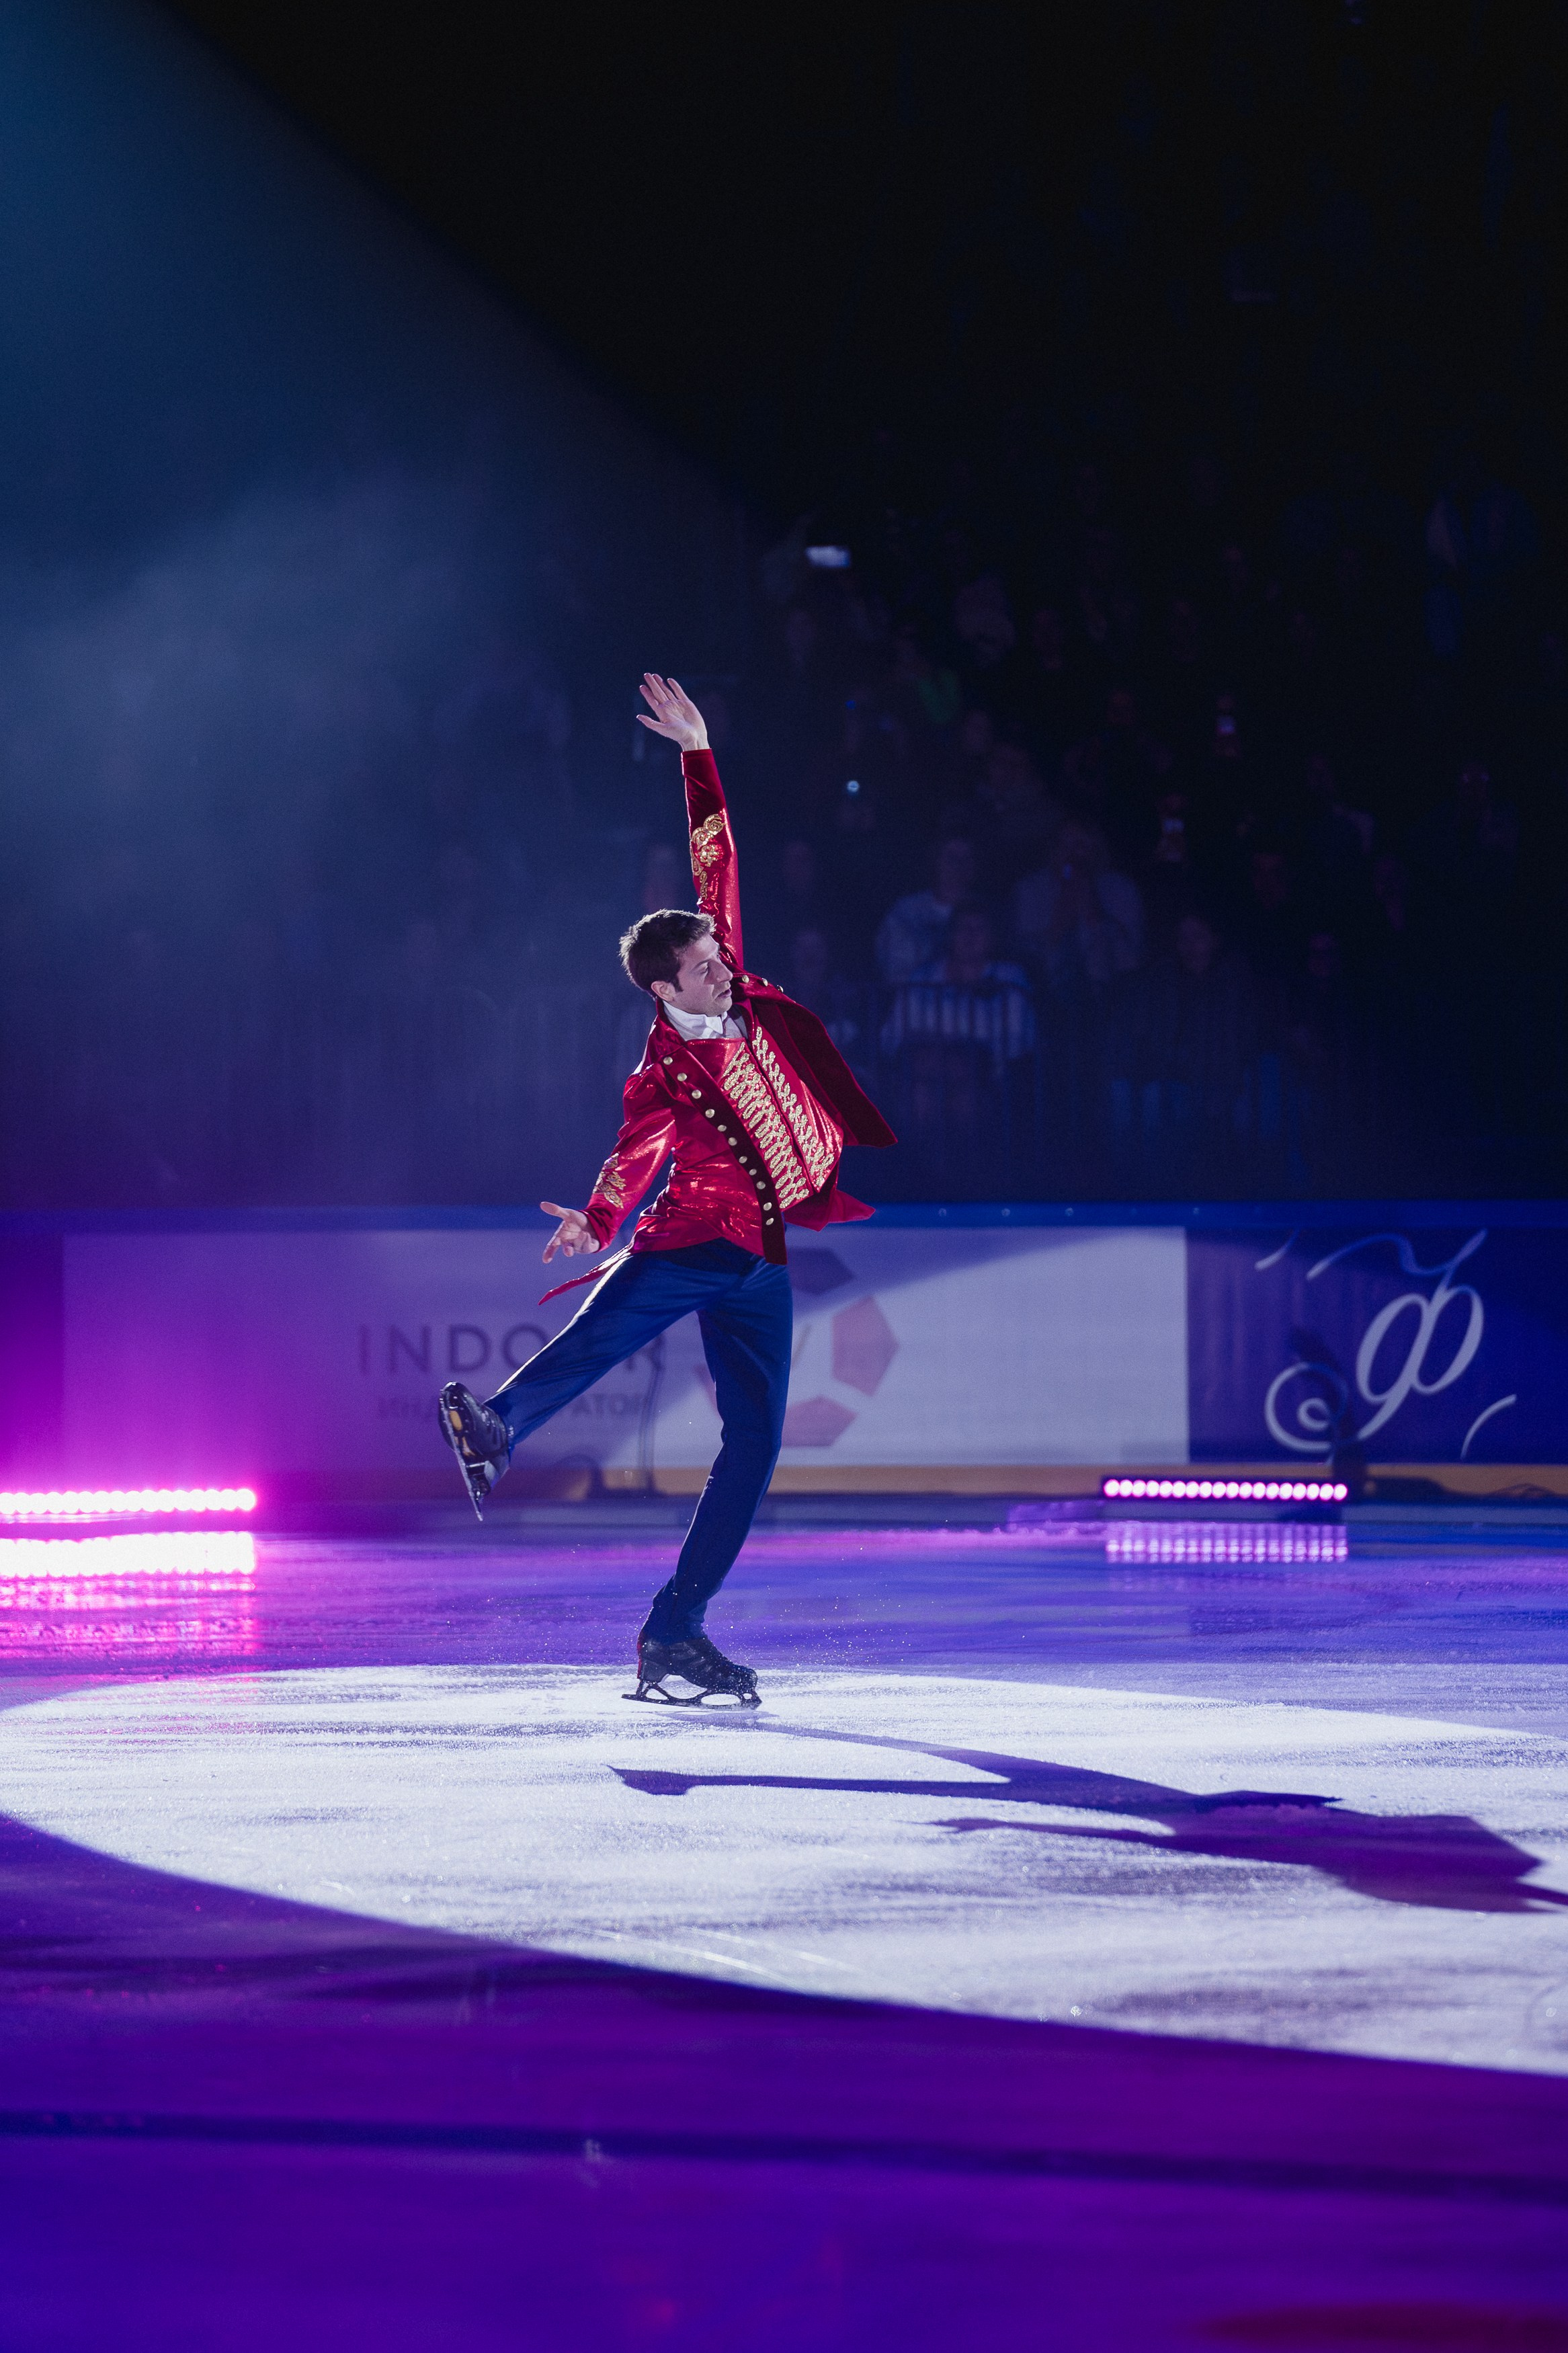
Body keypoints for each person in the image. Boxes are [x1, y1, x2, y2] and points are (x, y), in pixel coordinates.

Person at [437, 674, 895, 1707]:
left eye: (716, 954)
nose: (723, 970)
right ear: (662, 987)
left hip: (761, 1258)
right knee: (604, 1332)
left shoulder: (725, 964)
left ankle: (674, 1630)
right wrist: (599, 1219)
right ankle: (496, 1427)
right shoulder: (660, 1069)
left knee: (756, 1445)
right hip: (696, 1237)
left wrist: (697, 754)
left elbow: (714, 857)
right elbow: (636, 1153)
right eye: (701, 966)